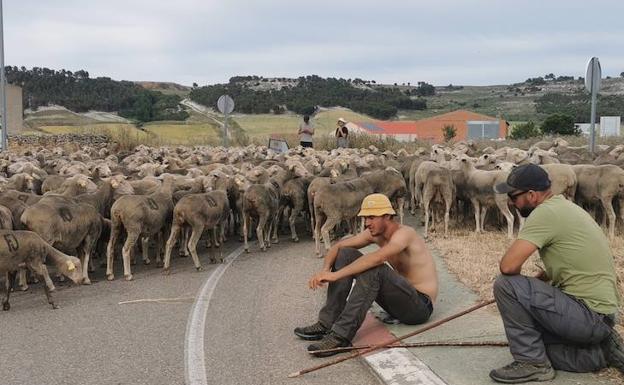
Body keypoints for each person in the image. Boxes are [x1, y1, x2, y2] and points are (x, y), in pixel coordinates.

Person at [490, 164, 624, 383]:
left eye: (513, 197)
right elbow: (573, 262)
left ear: (531, 195)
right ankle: (599, 352)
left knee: (505, 284)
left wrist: (520, 290)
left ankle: (533, 363)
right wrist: (539, 281)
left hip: (588, 316)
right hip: (601, 316)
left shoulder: (544, 213)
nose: (511, 203)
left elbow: (508, 267)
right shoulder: (565, 207)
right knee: (535, 339)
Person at [294, 193, 438, 357]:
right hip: (397, 303)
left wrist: (336, 275)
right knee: (346, 253)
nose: (367, 223)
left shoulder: (405, 234)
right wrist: (326, 270)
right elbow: (338, 247)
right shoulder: (375, 233)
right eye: (365, 218)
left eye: (371, 217)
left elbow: (377, 258)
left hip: (419, 307)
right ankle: (327, 323)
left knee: (375, 268)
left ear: (387, 216)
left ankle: (340, 336)